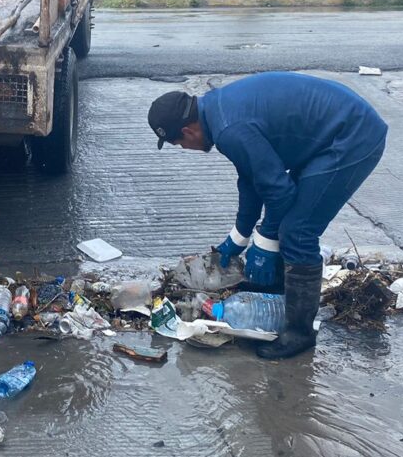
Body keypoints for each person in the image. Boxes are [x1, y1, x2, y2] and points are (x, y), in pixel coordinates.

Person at [148, 72, 387, 360]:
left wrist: (265, 242)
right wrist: (239, 236)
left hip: (351, 137)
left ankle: (299, 333)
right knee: (288, 228)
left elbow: (280, 192)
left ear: (187, 131)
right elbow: (251, 179)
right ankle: (278, 295)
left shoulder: (229, 130)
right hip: (330, 133)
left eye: (179, 144)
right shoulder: (217, 112)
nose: (185, 149)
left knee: (298, 232)